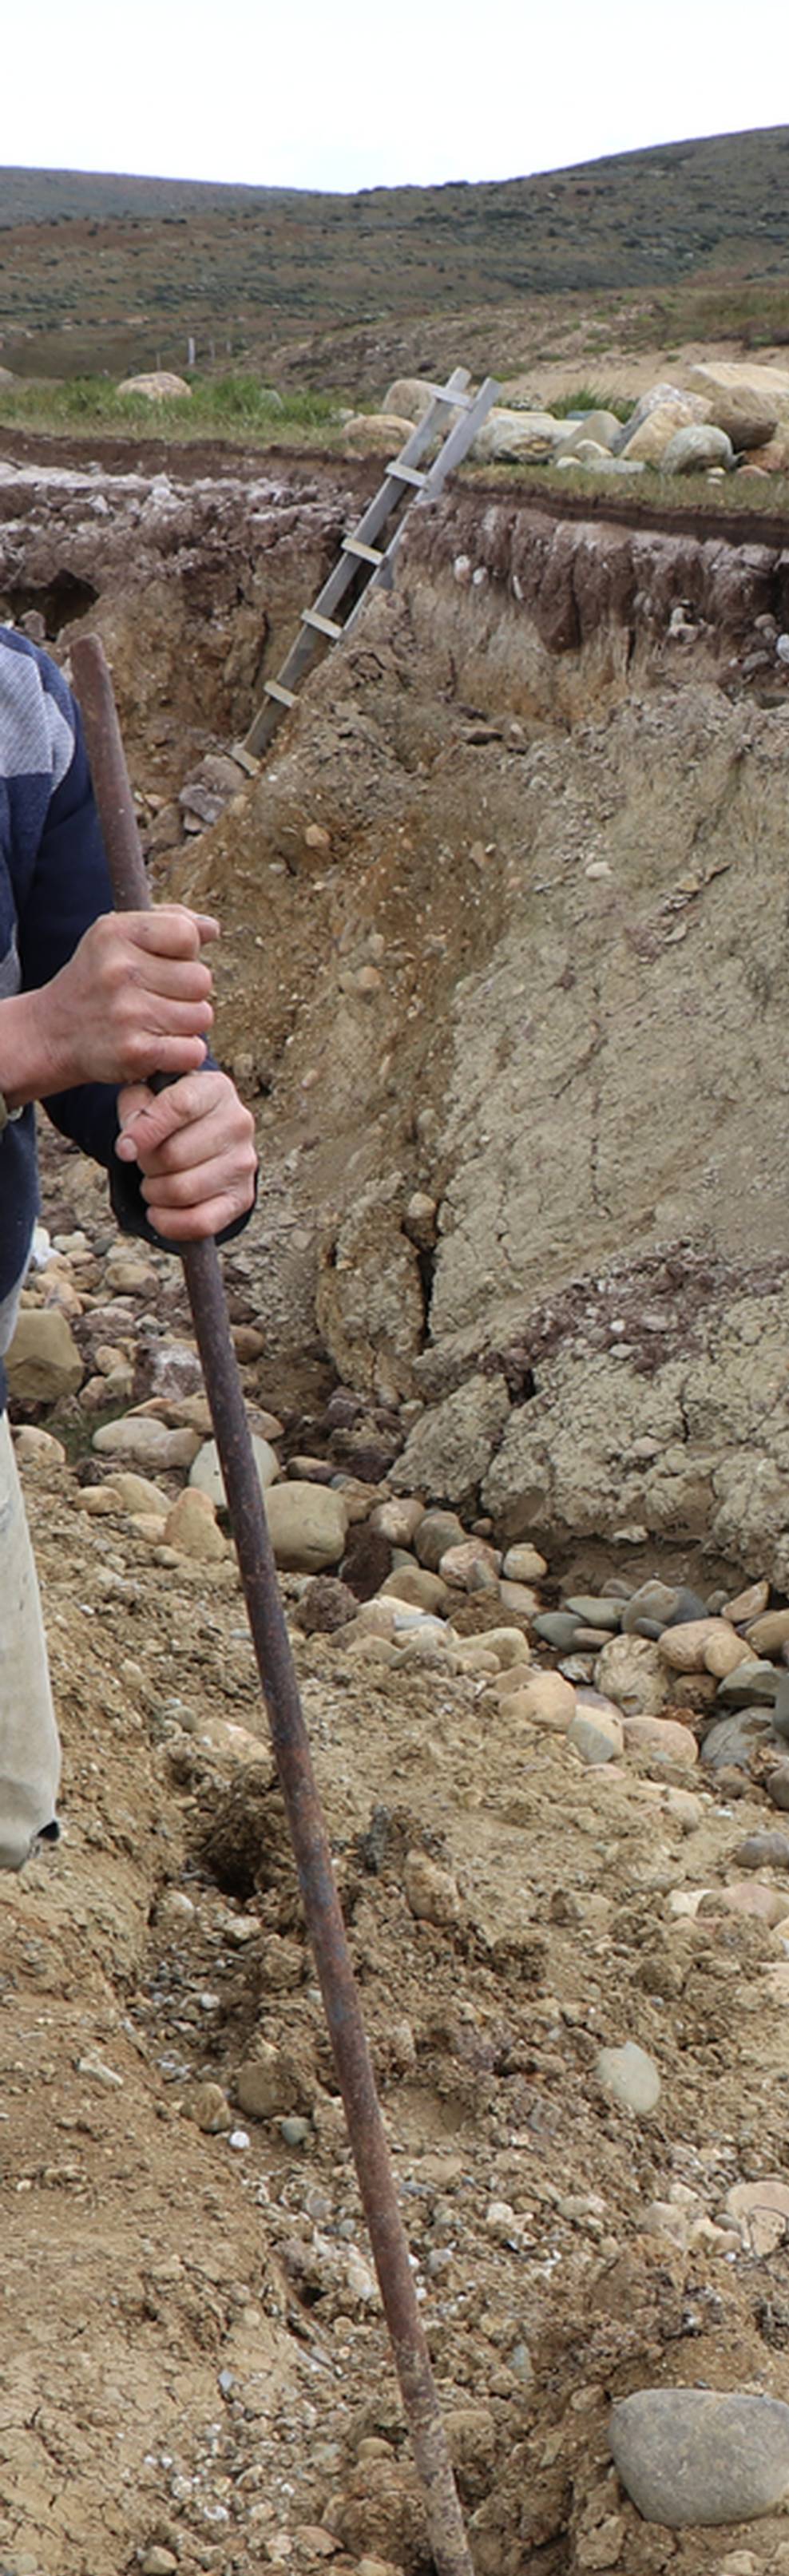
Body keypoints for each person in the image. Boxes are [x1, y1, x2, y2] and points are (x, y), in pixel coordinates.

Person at [0, 622, 258, 1869]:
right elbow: (45, 1028)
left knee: (5, 1810)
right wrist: (32, 1041)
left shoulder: (16, 703)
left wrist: (170, 1129)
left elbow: (96, 1023)